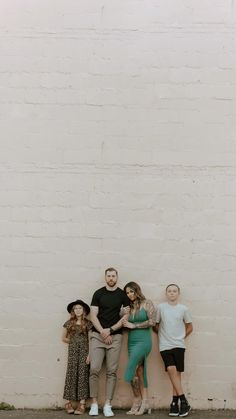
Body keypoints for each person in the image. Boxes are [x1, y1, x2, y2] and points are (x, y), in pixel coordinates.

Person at [89, 267, 130, 417]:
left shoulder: (122, 295)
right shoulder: (98, 293)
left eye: (113, 276)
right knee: (94, 368)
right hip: (98, 335)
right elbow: (93, 315)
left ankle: (107, 404)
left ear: (117, 277)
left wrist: (110, 330)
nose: (111, 278)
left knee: (112, 371)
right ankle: (94, 404)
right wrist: (102, 332)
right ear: (105, 277)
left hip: (115, 336)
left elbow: (125, 317)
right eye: (109, 276)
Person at [154, 284, 193, 417]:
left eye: (174, 291)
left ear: (178, 293)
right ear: (166, 293)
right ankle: (184, 400)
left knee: (176, 373)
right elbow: (156, 325)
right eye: (169, 291)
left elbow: (190, 326)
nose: (172, 293)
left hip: (179, 345)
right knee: (171, 369)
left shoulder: (183, 309)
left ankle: (174, 404)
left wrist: (181, 337)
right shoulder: (161, 308)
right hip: (165, 345)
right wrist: (161, 334)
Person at [122, 282, 155, 416]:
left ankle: (138, 400)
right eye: (127, 292)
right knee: (140, 371)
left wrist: (134, 326)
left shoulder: (147, 303)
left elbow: (152, 321)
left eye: (131, 291)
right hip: (131, 341)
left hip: (144, 341)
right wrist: (122, 316)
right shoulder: (128, 308)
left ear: (137, 291)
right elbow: (125, 325)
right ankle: (143, 402)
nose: (130, 294)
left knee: (131, 370)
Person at [62, 299, 92, 415]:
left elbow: (90, 340)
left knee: (83, 374)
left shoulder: (88, 323)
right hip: (73, 352)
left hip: (84, 352)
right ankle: (68, 402)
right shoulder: (69, 323)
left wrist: (89, 354)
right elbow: (63, 338)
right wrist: (74, 342)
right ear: (73, 311)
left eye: (80, 308)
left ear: (83, 310)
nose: (78, 310)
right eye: (76, 308)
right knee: (71, 374)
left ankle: (82, 403)